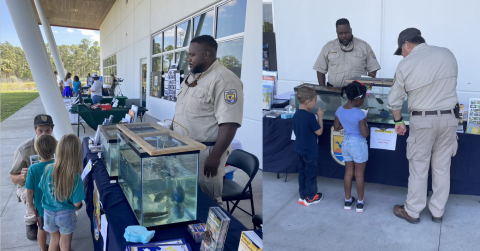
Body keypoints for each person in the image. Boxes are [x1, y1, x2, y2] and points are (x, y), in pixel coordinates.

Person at [388, 28, 459, 224]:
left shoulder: (406, 63)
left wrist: (398, 122)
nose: (401, 54)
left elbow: (394, 101)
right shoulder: (447, 54)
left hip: (423, 120)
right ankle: (438, 211)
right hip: (449, 119)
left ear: (407, 45)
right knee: (442, 168)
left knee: (419, 168)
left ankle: (412, 211)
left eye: (401, 50)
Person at [171, 35, 244, 205]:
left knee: (207, 202)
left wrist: (215, 156)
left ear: (206, 54)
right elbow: (181, 110)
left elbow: (230, 122)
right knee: (185, 198)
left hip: (205, 153)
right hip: (183, 150)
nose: (188, 59)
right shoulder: (193, 77)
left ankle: (208, 233)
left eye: (192, 55)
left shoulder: (225, 80)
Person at [9, 114, 54, 240]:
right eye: (40, 131)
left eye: (47, 130)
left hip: (51, 183)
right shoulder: (24, 149)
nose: (43, 134)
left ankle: (54, 216)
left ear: (52, 129)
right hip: (29, 186)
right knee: (33, 196)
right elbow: (13, 178)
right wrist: (24, 176)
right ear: (35, 130)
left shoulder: (57, 146)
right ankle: (31, 221)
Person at [39, 134, 84, 251]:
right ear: (76, 154)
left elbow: (42, 188)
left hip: (48, 212)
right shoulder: (75, 177)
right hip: (65, 215)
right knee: (64, 244)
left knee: (53, 240)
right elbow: (77, 203)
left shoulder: (47, 169)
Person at [313, 18, 381, 87]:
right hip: (334, 92)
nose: (344, 36)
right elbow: (320, 69)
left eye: (346, 32)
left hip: (358, 92)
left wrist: (367, 88)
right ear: (336, 33)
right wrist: (323, 90)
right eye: (340, 33)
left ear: (351, 30)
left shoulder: (364, 46)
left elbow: (373, 68)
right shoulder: (328, 47)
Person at [333, 81, 369, 212]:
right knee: (359, 174)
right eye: (363, 99)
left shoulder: (339, 110)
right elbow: (364, 134)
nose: (363, 101)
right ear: (358, 99)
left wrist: (347, 125)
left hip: (346, 143)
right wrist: (365, 123)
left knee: (348, 173)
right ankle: (360, 202)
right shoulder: (360, 114)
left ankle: (347, 201)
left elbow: (336, 127)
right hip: (358, 144)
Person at [292, 86, 324, 207]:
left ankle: (302, 195)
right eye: (315, 100)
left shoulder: (296, 115)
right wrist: (320, 117)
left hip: (299, 149)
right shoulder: (310, 117)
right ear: (308, 102)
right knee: (310, 174)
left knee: (302, 173)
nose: (316, 103)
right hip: (310, 151)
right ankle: (311, 197)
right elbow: (319, 132)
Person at [25, 135, 57, 251]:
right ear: (54, 149)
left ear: (37, 150)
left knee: (41, 229)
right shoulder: (57, 166)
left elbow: (29, 190)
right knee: (56, 232)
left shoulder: (33, 169)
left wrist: (30, 204)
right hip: (57, 206)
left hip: (40, 207)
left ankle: (43, 249)